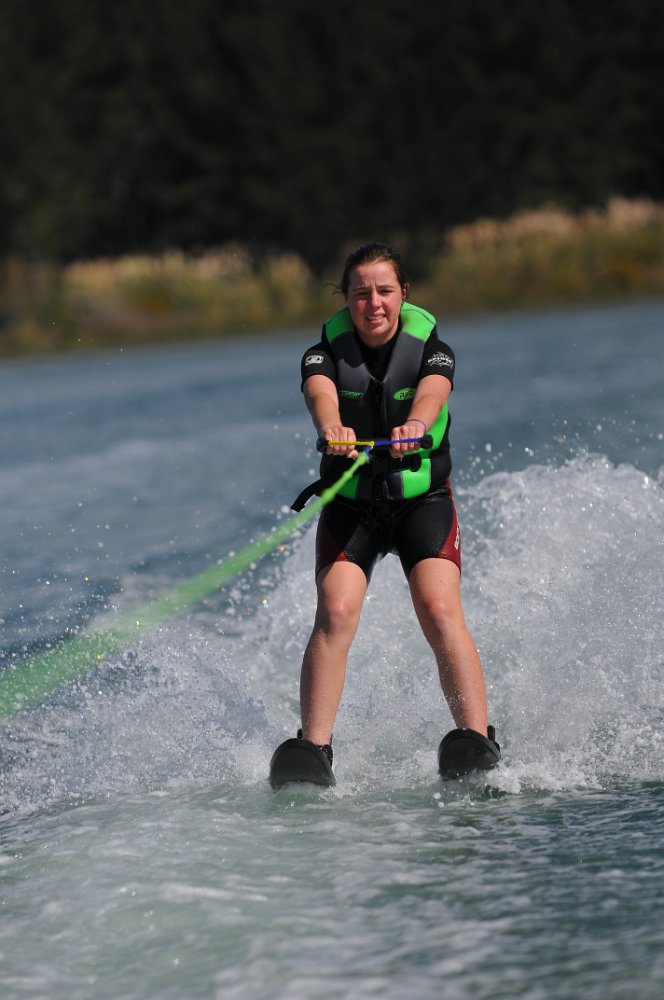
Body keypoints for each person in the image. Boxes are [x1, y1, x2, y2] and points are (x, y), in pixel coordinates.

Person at [286, 242, 497, 774]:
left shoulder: (434, 350)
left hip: (421, 501)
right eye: (361, 293)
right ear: (346, 298)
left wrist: (416, 424)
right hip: (352, 505)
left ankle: (477, 737)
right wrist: (331, 426)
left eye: (384, 290)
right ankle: (314, 750)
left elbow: (433, 392)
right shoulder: (321, 354)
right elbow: (319, 393)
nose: (373, 303)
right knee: (335, 612)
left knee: (438, 608)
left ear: (404, 293)